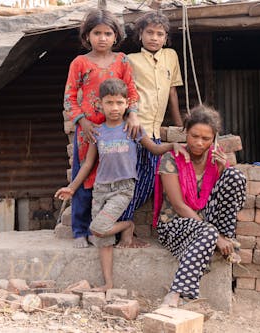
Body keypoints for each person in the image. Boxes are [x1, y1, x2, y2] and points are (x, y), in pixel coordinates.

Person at [56, 78, 189, 291]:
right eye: (109, 103)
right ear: (100, 104)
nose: (114, 108)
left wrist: (173, 144)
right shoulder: (97, 132)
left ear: (127, 104)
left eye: (119, 102)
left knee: (97, 228)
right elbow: (88, 164)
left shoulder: (133, 129)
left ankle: (128, 225)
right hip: (101, 189)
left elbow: (154, 150)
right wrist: (72, 188)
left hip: (123, 189)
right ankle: (108, 283)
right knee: (103, 241)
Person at [153, 105, 247, 307]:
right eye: (194, 136)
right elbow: (178, 205)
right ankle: (176, 293)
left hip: (204, 221)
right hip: (175, 225)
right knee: (209, 234)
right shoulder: (171, 159)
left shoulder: (216, 157)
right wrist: (215, 235)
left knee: (235, 176)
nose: (199, 142)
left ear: (214, 139)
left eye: (206, 139)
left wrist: (222, 171)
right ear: (186, 132)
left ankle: (225, 240)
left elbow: (225, 198)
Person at [64, 9, 142, 248]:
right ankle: (80, 230)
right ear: (87, 36)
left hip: (116, 131)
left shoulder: (122, 61)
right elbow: (69, 97)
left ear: (115, 36)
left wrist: (134, 115)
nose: (102, 38)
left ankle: (106, 228)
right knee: (85, 177)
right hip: (88, 133)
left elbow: (131, 91)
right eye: (96, 33)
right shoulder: (79, 62)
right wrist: (82, 121)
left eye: (107, 33)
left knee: (110, 180)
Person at [122, 11, 183, 225]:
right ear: (140, 34)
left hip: (156, 131)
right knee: (131, 180)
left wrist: (179, 126)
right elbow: (127, 94)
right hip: (136, 129)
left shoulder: (171, 56)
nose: (154, 38)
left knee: (148, 182)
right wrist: (131, 114)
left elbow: (173, 92)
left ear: (166, 38)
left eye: (160, 34)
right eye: (149, 32)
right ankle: (121, 224)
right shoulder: (130, 60)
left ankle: (120, 223)